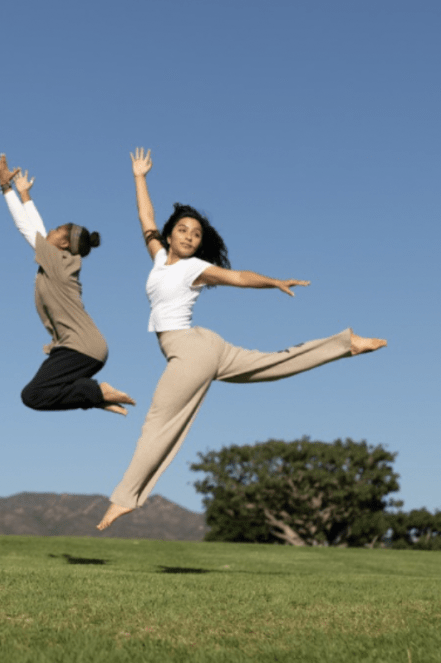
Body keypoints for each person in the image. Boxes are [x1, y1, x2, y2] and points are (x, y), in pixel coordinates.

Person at [97, 148, 387, 530]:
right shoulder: (157, 257)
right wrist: (139, 177)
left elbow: (238, 277)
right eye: (182, 230)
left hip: (191, 351)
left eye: (196, 234)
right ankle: (344, 344)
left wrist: (274, 282)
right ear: (169, 236)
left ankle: (123, 498)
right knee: (273, 364)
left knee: (158, 421)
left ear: (200, 245)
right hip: (206, 347)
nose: (189, 236)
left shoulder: (195, 268)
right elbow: (146, 219)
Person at [0, 154, 135, 416]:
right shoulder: (61, 259)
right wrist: (25, 195)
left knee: (33, 395)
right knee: (36, 394)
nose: (51, 229)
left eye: (57, 228)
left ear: (63, 244)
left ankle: (97, 392)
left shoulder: (59, 262)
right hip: (85, 347)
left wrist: (6, 189)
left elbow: (27, 229)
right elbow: (37, 230)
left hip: (80, 347)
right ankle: (96, 396)